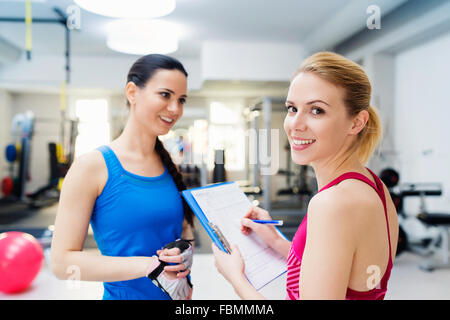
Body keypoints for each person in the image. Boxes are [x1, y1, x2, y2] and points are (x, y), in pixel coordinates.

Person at [212, 51, 399, 300]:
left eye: (317, 111)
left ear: (356, 123)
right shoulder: (375, 186)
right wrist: (277, 243)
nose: (295, 124)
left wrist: (236, 278)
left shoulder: (331, 204)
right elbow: (340, 272)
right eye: (292, 108)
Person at [50, 54, 195, 300]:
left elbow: (180, 232)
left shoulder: (168, 166)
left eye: (181, 99)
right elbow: (63, 263)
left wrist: (184, 254)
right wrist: (148, 266)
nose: (175, 109)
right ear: (132, 92)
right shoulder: (91, 167)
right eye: (165, 95)